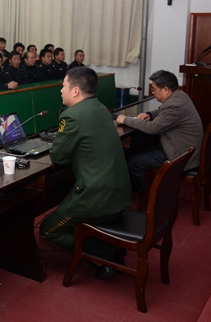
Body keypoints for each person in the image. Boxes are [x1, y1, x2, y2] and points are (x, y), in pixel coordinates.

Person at [40, 67, 131, 279]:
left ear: (75, 91)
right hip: (120, 193)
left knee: (48, 230)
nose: (61, 90)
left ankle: (107, 250)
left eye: (63, 85)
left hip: (97, 196)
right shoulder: (101, 108)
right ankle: (104, 247)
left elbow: (58, 157)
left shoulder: (71, 116)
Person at [116, 70, 203, 196]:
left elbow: (153, 128)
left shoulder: (174, 106)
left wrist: (124, 119)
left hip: (180, 155)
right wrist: (150, 114)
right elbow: (163, 110)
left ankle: (148, 196)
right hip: (185, 148)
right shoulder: (180, 95)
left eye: (154, 89)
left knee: (134, 162)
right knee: (141, 150)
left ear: (166, 90)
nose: (153, 92)